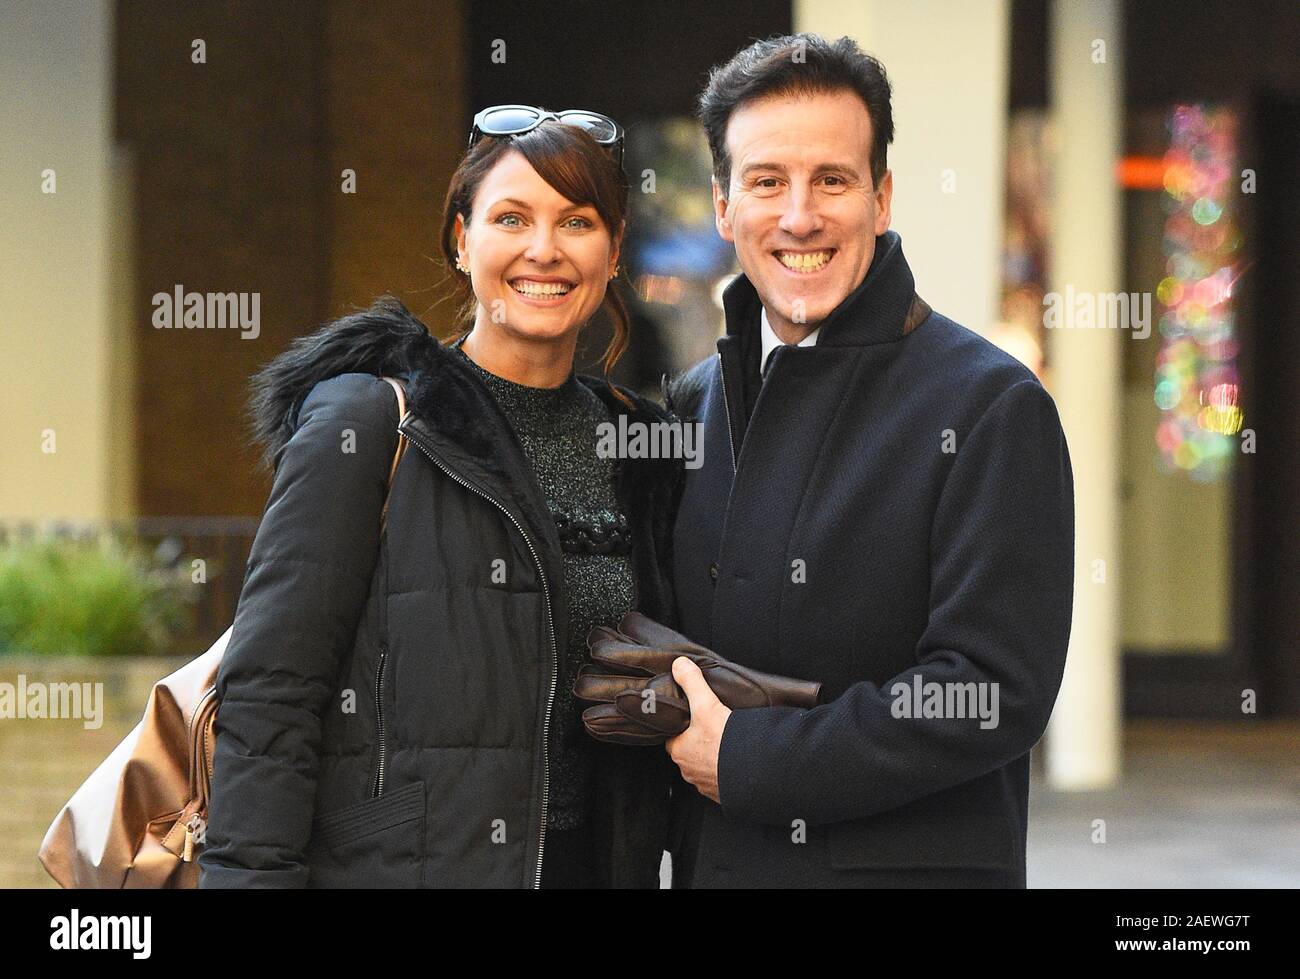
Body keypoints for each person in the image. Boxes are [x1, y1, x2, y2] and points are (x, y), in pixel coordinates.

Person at [199, 107, 680, 888]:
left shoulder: (642, 449)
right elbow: (270, 696)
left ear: (614, 250)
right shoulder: (373, 421)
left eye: (578, 221)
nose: (543, 249)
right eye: (511, 217)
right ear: (462, 239)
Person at [661, 34, 1076, 887]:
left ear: (881, 198)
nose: (800, 216)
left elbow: (988, 689)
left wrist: (754, 758)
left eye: (833, 180)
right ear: (722, 206)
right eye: (767, 180)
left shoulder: (990, 407)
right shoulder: (687, 406)